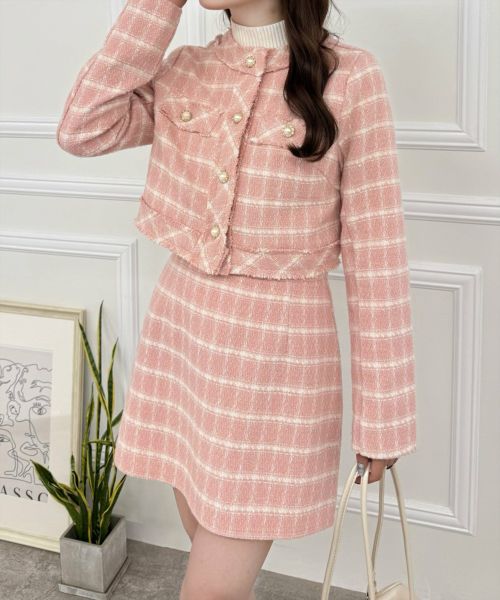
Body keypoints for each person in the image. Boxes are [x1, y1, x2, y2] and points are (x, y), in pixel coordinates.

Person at [56, 0, 417, 598]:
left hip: (275, 365)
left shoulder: (351, 77)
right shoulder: (185, 68)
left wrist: (383, 418)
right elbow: (82, 127)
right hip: (183, 344)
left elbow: (377, 252)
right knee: (210, 549)